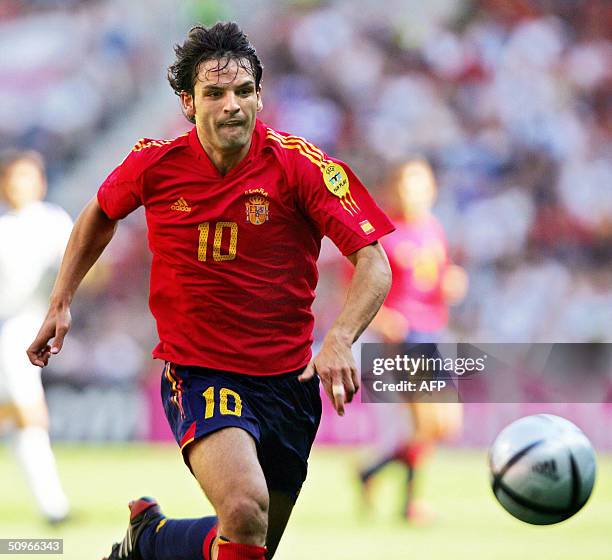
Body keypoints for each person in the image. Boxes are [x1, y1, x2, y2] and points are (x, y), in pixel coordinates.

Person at [27, 22, 394, 560]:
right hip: (201, 371)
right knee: (245, 510)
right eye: (215, 93)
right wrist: (61, 300)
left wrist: (340, 337)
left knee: (250, 538)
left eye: (244, 91)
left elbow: (374, 262)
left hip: (290, 382)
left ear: (260, 97)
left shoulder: (300, 167)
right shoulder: (155, 164)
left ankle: (149, 540)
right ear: (187, 102)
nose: (232, 106)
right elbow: (98, 215)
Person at [360, 159, 466, 522]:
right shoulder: (382, 235)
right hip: (403, 338)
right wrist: (382, 318)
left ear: (431, 190)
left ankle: (371, 472)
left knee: (445, 425)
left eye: (419, 185)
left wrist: (451, 281)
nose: (411, 193)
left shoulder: (433, 230)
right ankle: (409, 505)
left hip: (433, 332)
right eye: (405, 185)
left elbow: (436, 280)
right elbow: (356, 289)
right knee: (423, 424)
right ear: (394, 189)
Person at [0, 150, 71, 524]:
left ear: (39, 182)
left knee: (25, 416)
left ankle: (53, 506)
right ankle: (52, 506)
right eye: (12, 178)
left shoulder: (54, 222)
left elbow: (81, 271)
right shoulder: (5, 227)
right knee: (22, 419)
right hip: (9, 327)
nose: (18, 186)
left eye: (26, 177)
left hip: (22, 328)